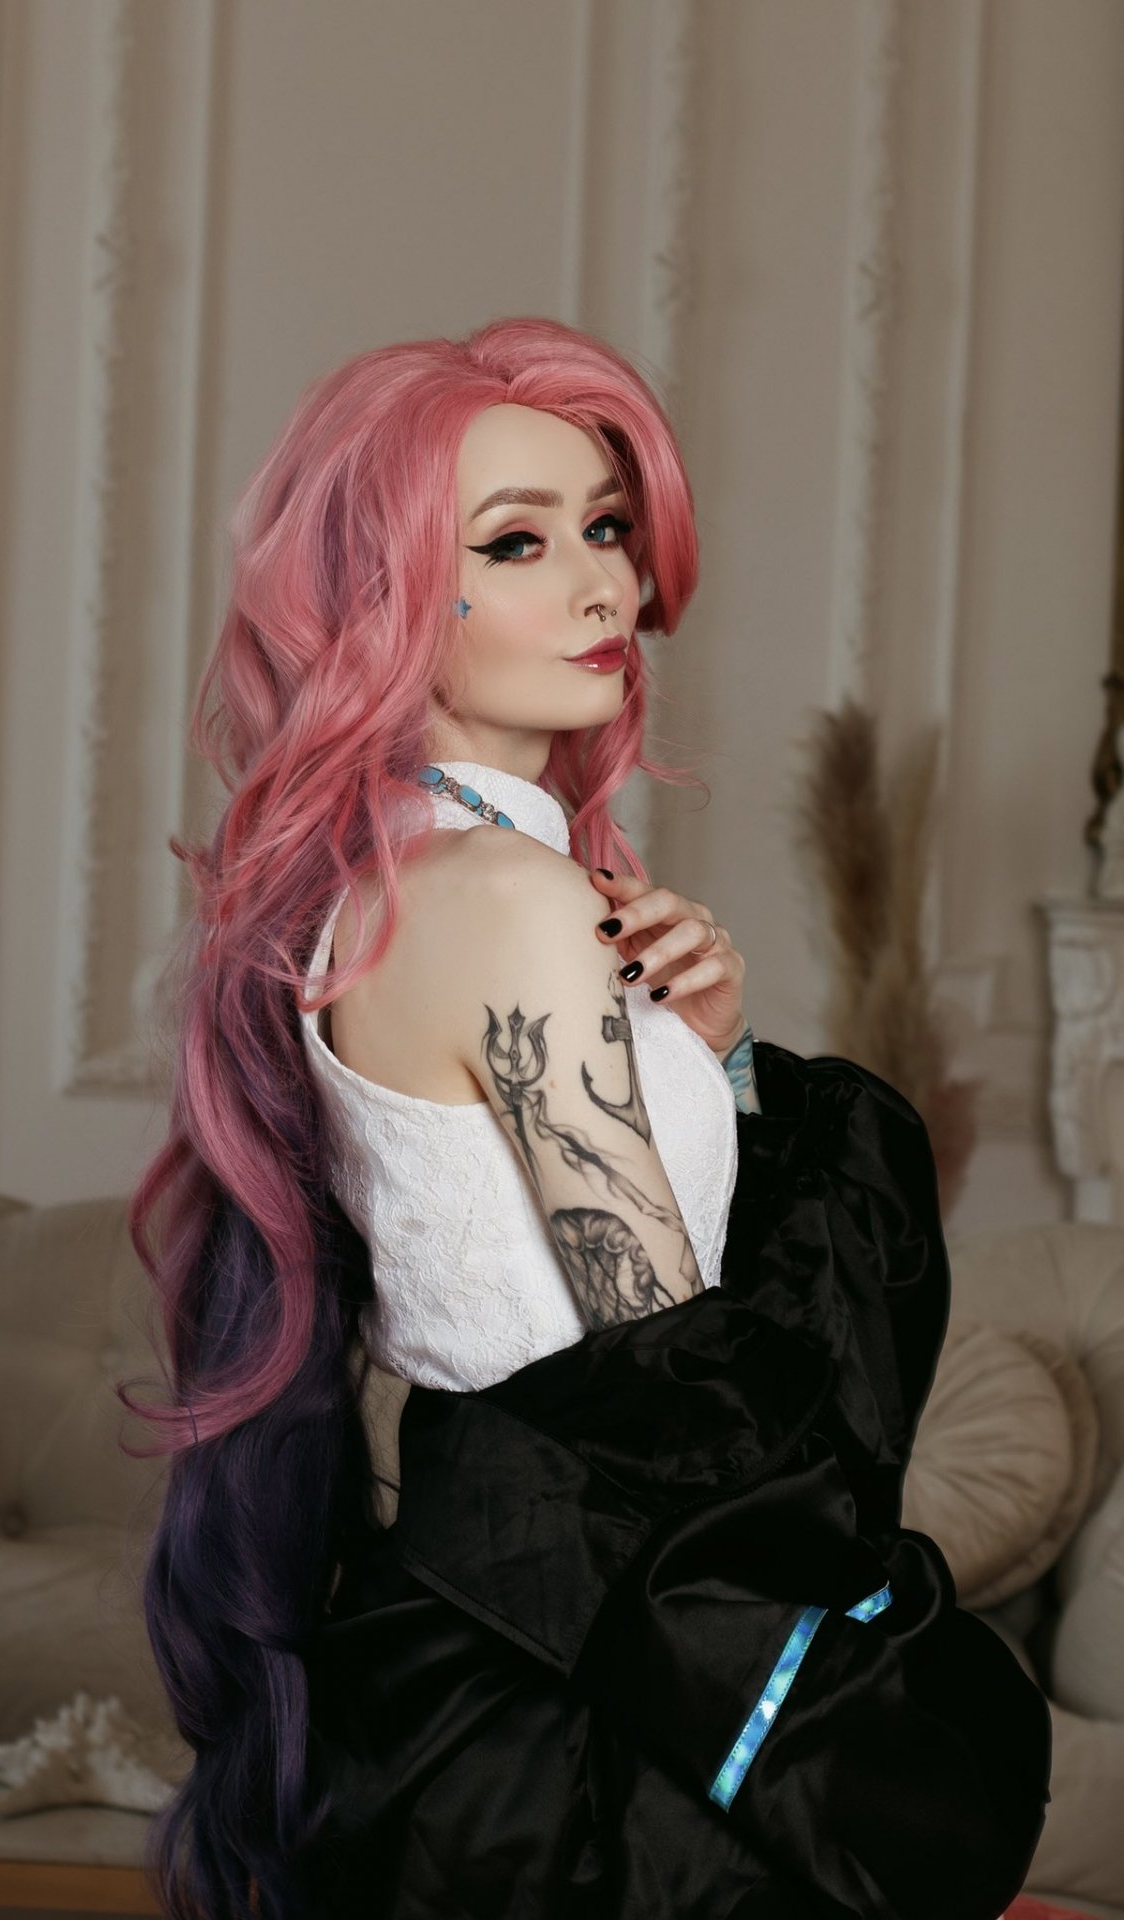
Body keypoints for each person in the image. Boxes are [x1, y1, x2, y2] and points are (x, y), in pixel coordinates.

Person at [122, 317, 1050, 1920]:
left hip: (523, 1651)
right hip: (583, 1700)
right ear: (383, 600)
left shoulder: (416, 887)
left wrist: (721, 1057)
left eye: (607, 527)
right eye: (517, 541)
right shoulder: (505, 897)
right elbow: (683, 1409)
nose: (602, 585)